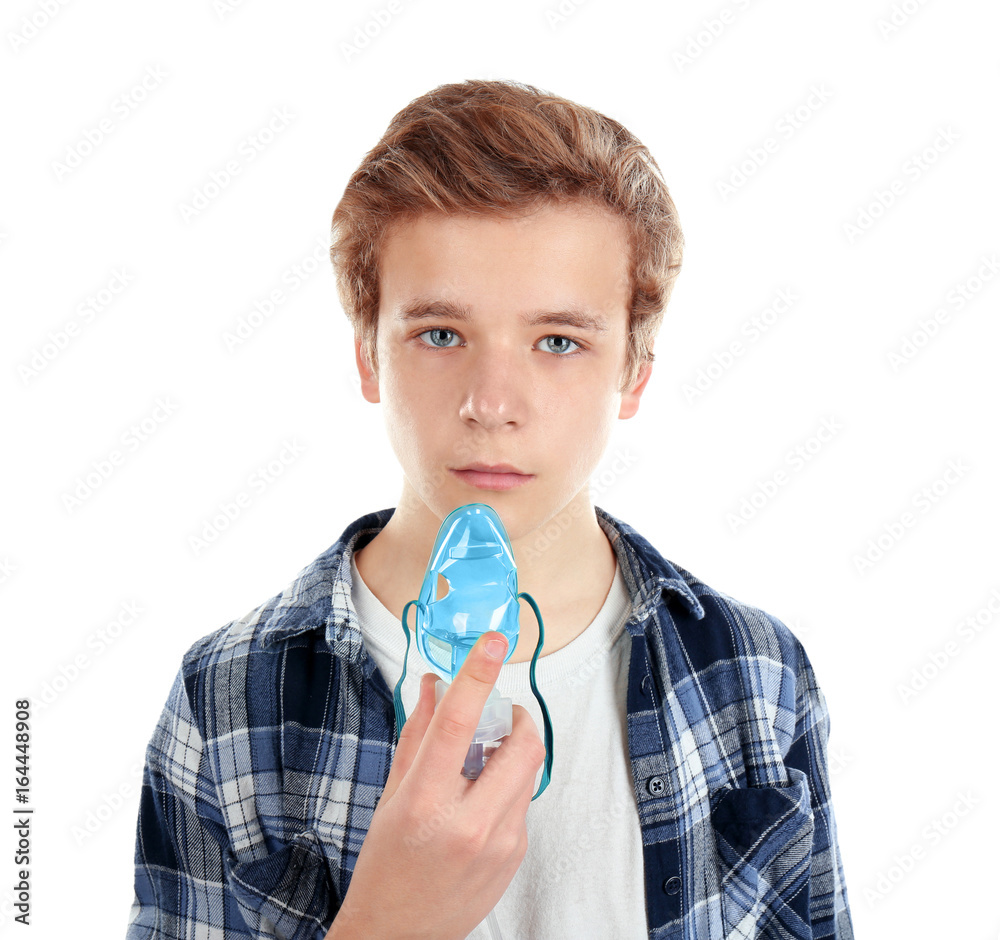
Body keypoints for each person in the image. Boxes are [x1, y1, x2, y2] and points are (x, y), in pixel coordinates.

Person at [127, 79, 854, 940]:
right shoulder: (228, 699)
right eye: (440, 334)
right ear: (368, 356)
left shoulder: (757, 674)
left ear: (635, 370)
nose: (491, 403)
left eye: (558, 342)